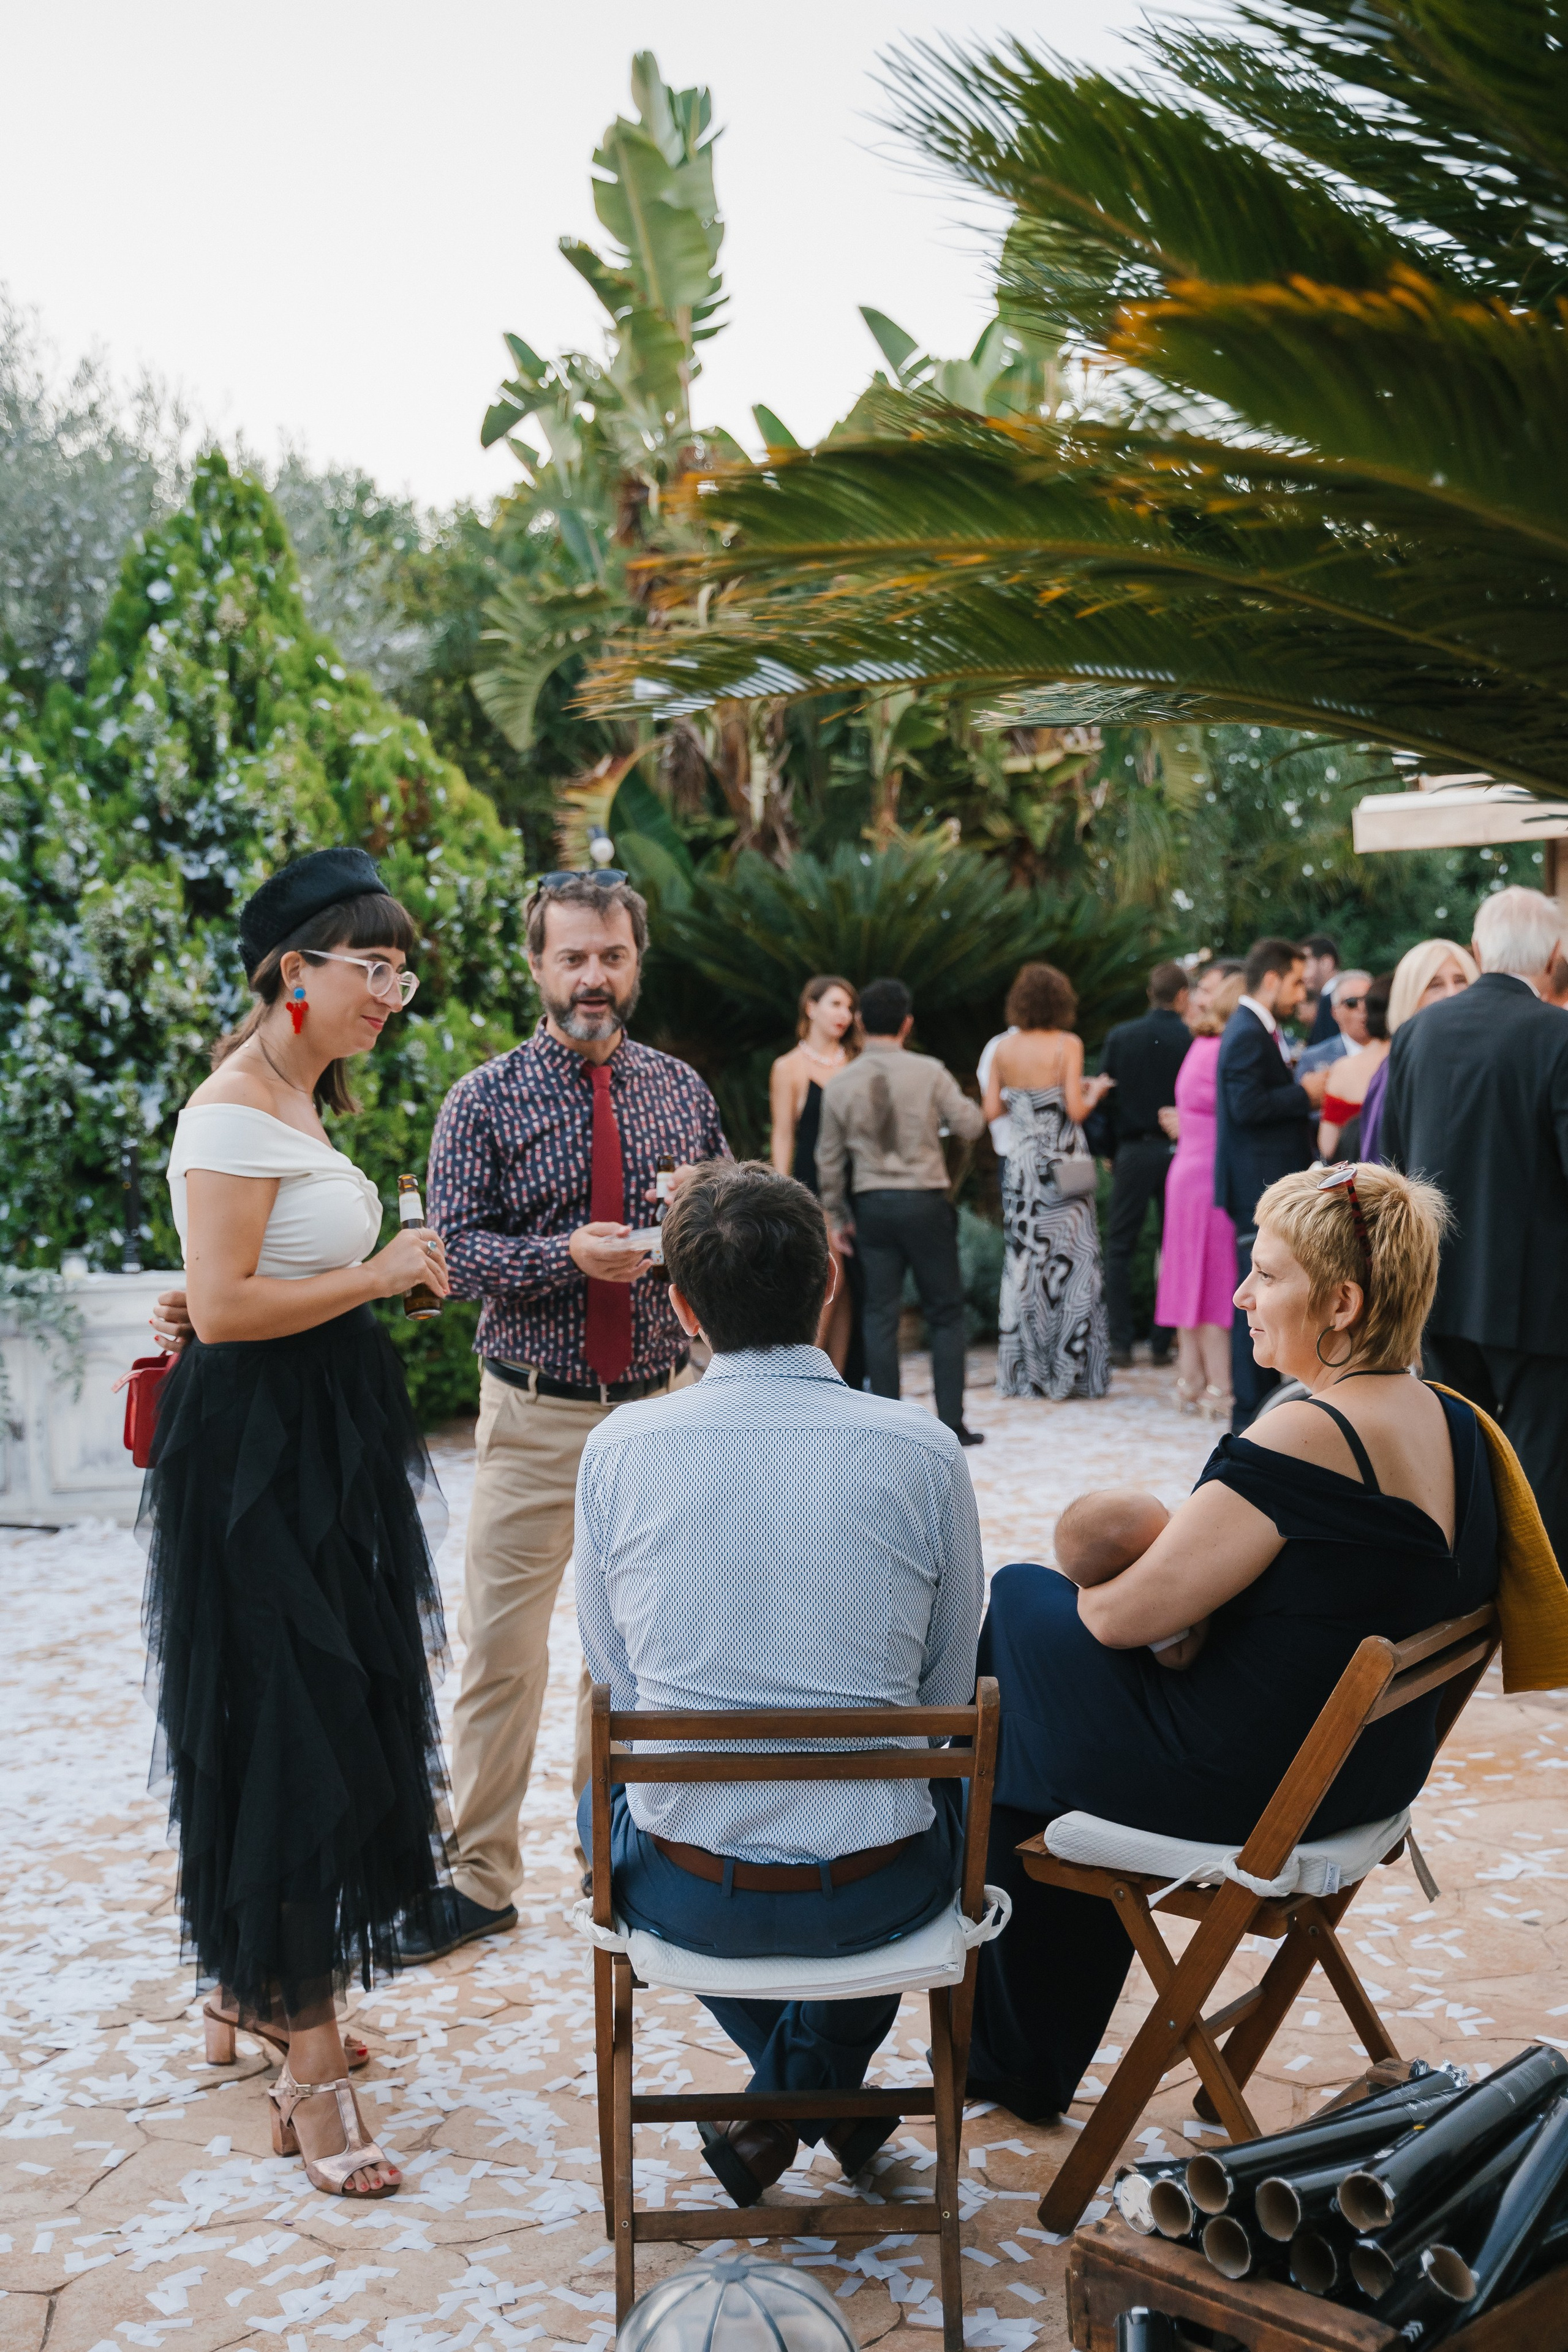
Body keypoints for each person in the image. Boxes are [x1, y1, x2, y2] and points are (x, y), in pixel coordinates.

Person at [965, 1161, 1499, 2122]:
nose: (1243, 1295)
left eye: (1269, 1275)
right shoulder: (1451, 1418)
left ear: (1340, 1303)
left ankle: (1014, 2049)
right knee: (1032, 1736)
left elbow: (1116, 1617)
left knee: (1019, 1610)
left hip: (1250, 1790)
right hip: (1362, 1776)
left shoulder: (1310, 1430)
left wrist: (1156, 1594)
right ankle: (1017, 2049)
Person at [140, 847, 458, 2201]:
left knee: (308, 1710)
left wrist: (375, 1282)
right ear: (295, 973)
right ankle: (308, 2073)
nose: (392, 992)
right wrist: (379, 1270)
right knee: (293, 1725)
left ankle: (248, 1990)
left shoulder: (297, 1098)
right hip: (261, 1468)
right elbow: (222, 1313)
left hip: (315, 1447)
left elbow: (232, 1282)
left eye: (401, 970)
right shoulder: (232, 1108)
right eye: (371, 967)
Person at [575, 1159, 984, 2204]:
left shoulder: (619, 1449)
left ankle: (781, 2103)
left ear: (678, 1306)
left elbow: (611, 1683)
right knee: (935, 1783)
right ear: (829, 1286)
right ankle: (817, 2096)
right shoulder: (923, 1450)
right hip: (880, 1893)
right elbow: (943, 1694)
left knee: (597, 1785)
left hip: (689, 1890)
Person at [413, 870, 728, 1962]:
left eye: (613, 956)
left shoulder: (681, 1091)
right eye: (574, 957)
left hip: (659, 1415)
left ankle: (620, 1857)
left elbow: (734, 1235)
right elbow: (449, 1258)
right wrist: (565, 1257)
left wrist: (705, 1209)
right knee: (504, 1650)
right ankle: (478, 1878)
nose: (595, 977)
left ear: (637, 962)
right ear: (537, 966)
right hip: (535, 1418)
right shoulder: (484, 1099)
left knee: (640, 1655)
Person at [1379, 887, 1568, 1561]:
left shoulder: (1415, 1034)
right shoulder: (1559, 1035)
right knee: (1544, 1472)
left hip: (1435, 1290)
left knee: (1458, 1461)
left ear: (1479, 950)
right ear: (1555, 955)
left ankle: (1463, 1606)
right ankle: (1543, 1636)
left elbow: (1391, 1170)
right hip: (1540, 1300)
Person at [816, 975, 986, 1443]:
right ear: (907, 1023)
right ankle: (951, 1421)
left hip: (872, 1206)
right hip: (926, 1201)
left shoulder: (840, 1084)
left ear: (860, 1023)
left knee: (879, 1313)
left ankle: (886, 1427)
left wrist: (837, 1215)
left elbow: (828, 1160)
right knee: (946, 1311)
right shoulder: (930, 1071)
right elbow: (971, 1125)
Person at [982, 960, 1114, 1401]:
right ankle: (1074, 1373)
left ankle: (1026, 1373)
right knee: (1076, 1263)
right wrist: (1094, 1093)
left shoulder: (1002, 1049)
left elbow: (990, 1112)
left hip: (1022, 1168)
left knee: (1025, 1265)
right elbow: (1075, 1111)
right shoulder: (1067, 1043)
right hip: (1063, 1167)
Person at [1215, 939, 1329, 1427]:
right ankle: (1248, 1416)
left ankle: (1258, 1410)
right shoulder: (1246, 1032)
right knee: (1256, 1301)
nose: (1302, 993)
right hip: (1256, 1187)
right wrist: (1305, 1093)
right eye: (1298, 982)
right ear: (1273, 978)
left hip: (1261, 1183)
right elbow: (1248, 1107)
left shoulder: (1258, 1029)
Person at [1154, 967, 1245, 1419]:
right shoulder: (1222, 1049)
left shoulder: (1200, 1046)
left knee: (1188, 1274)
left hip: (1186, 1171)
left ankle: (1191, 1380)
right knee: (1213, 1279)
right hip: (1209, 1174)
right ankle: (1220, 1387)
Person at [1098, 961, 1192, 1369]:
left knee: (1119, 1246)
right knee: (1174, 1247)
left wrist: (1107, 1148)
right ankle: (1161, 1342)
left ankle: (1119, 1343)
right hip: (1179, 1149)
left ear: (1149, 994)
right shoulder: (1189, 1037)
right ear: (1183, 996)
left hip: (1133, 1151)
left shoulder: (1121, 1037)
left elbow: (1105, 1098)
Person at [769, 974, 861, 1376]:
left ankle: (837, 1384)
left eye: (849, 1007)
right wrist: (779, 1193)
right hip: (814, 1192)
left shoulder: (859, 1064)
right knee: (828, 1285)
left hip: (861, 1188)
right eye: (836, 1004)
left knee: (852, 1291)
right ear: (811, 1007)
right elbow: (784, 1133)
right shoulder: (788, 1067)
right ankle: (806, 1379)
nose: (845, 1014)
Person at [1360, 939, 1477, 1163]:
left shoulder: (1491, 1062)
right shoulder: (1393, 1071)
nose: (1452, 993)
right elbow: (1380, 1164)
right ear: (1410, 997)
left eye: (1461, 980)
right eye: (1435, 985)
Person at [1317, 974, 1392, 1160]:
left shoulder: (1343, 1070)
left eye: (1365, 1001)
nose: (1360, 1008)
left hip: (1359, 1177)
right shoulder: (1415, 1059)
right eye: (1351, 1002)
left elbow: (1327, 1146)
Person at [1298, 969, 1372, 1076]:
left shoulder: (1395, 1053)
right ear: (1335, 1013)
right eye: (1351, 1003)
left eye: (1369, 1001)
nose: (1363, 1009)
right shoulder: (1313, 1059)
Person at [1302, 934, 1343, 1046]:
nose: (1302, 976)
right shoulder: (1326, 999)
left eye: (1306, 966)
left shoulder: (1334, 1000)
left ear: (1327, 963)